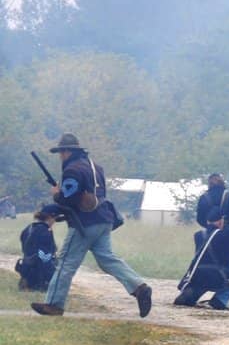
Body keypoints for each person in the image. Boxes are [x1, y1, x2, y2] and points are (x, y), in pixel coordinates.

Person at [31, 133, 152, 318]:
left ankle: (54, 304)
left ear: (66, 152)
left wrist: (56, 194)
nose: (60, 156)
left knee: (65, 263)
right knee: (107, 259)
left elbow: (68, 199)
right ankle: (139, 287)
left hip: (84, 223)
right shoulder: (96, 167)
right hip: (103, 219)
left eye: (61, 152)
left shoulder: (72, 170)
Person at [175, 224, 229, 309]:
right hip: (217, 275)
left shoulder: (199, 234)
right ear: (221, 221)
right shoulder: (225, 235)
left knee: (200, 286)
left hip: (197, 273)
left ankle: (191, 296)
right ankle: (219, 301)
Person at [193, 173, 229, 261]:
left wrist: (210, 225)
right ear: (222, 182)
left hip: (208, 235)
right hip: (228, 233)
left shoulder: (203, 198)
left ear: (209, 184)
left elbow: (199, 218)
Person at [15, 208, 58, 291]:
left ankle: (27, 281)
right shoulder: (45, 230)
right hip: (38, 269)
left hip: (26, 266)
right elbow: (46, 255)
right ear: (49, 218)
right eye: (54, 218)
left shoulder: (28, 228)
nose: (54, 221)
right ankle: (40, 283)